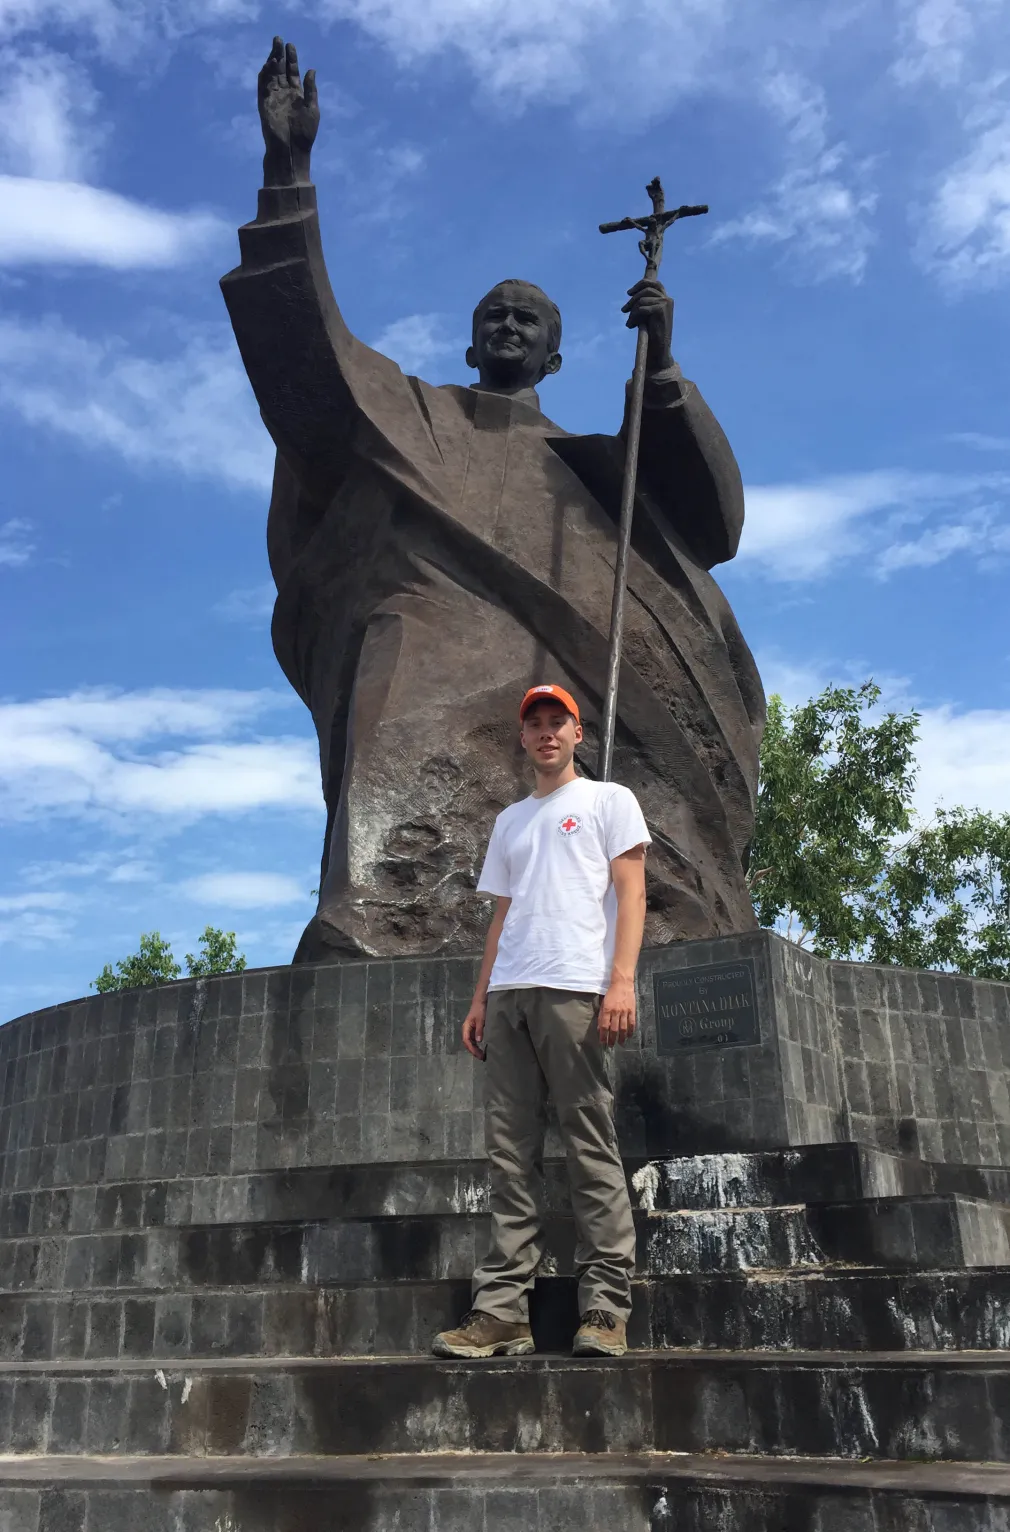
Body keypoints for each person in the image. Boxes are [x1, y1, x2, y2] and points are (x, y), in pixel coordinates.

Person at [221, 37, 765, 966]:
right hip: (428, 631)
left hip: (584, 685)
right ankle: (385, 915)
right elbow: (307, 358)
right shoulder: (419, 419)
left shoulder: (594, 473)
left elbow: (713, 526)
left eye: (528, 319)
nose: (507, 324)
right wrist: (289, 173)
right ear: (472, 347)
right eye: (493, 317)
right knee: (407, 652)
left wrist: (662, 370)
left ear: (555, 356)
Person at [432, 683, 649, 1360]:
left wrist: (621, 981)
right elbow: (503, 915)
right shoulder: (510, 822)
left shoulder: (608, 801)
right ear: (523, 739)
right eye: (536, 725)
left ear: (577, 734)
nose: (547, 733)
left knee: (589, 1146)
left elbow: (632, 889)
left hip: (576, 986)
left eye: (559, 722)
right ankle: (502, 1313)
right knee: (509, 1157)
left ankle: (605, 1311)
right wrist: (479, 998)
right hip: (510, 995)